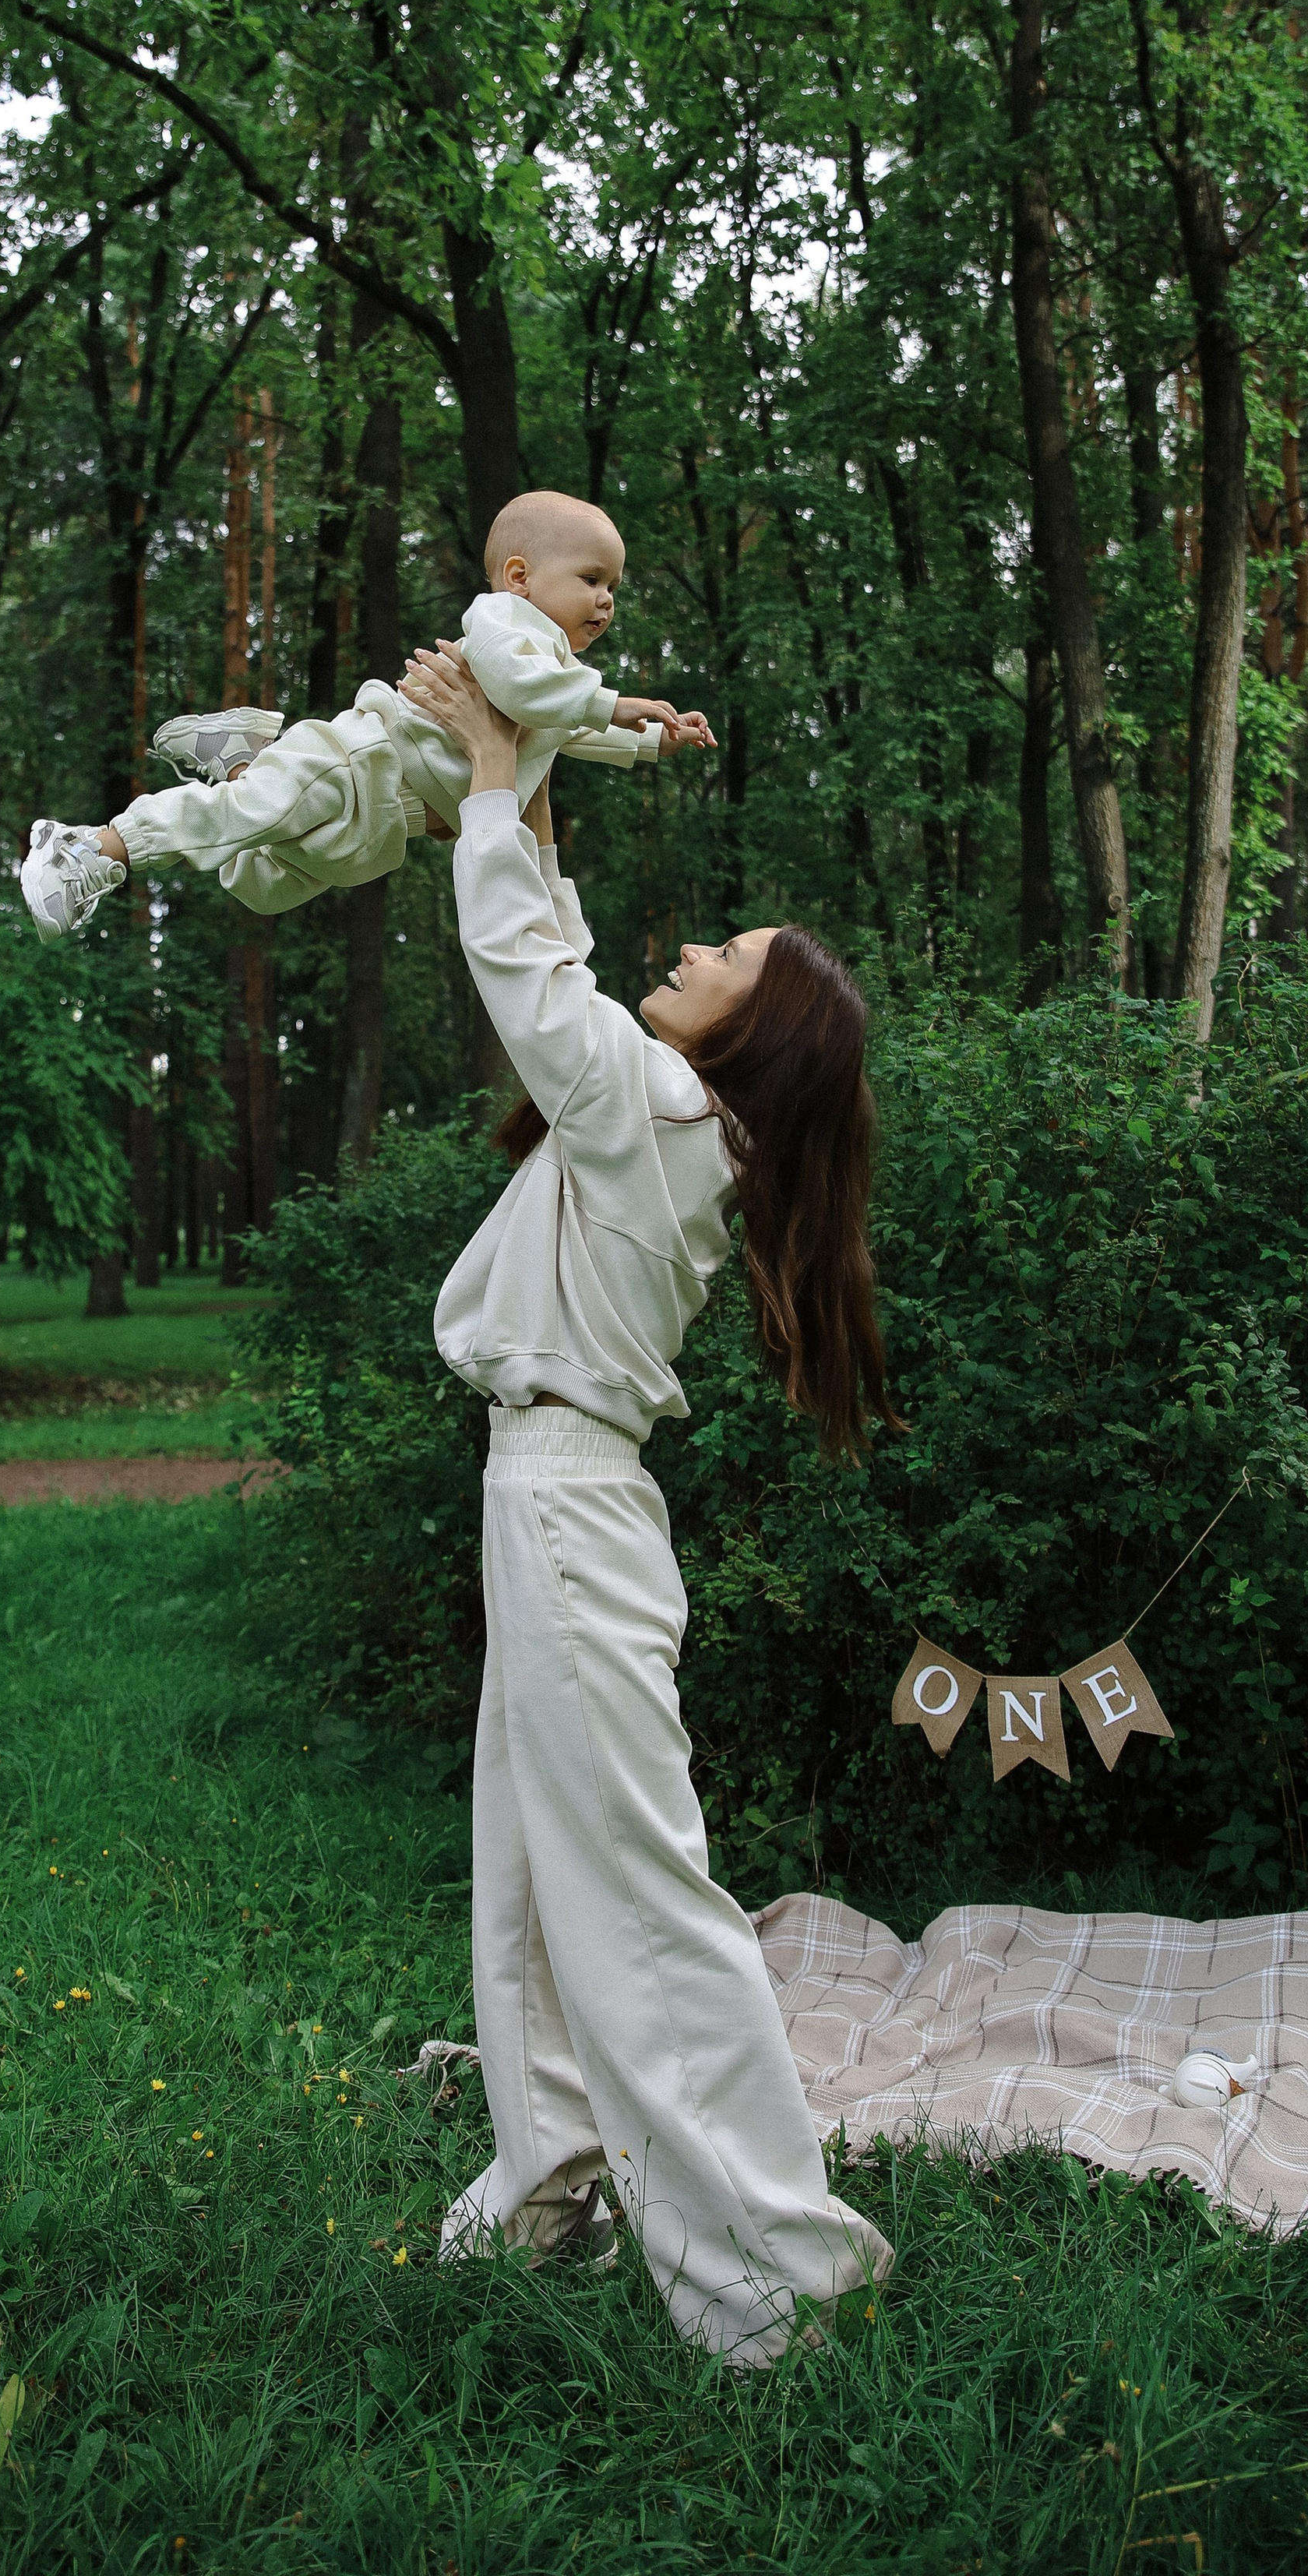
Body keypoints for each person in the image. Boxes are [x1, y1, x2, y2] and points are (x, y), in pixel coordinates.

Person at [396, 634, 900, 2370]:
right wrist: (532, 746)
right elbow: (562, 949)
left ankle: (771, 2283)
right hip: (547, 1499)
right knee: (530, 1880)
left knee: (633, 1889)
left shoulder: (667, 1114)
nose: (685, 953)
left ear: (747, 1035)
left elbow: (532, 979)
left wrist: (484, 776)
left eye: (722, 958)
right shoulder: (672, 1117)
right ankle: (546, 2197)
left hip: (566, 1506)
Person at [16, 489, 713, 943]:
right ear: (521, 577)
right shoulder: (504, 623)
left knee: (262, 884)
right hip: (361, 757)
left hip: (394, 815)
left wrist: (650, 742)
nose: (606, 601)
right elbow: (530, 690)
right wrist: (614, 701)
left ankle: (235, 756)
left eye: (613, 587)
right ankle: (90, 846)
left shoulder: (556, 674)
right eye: (591, 579)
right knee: (243, 814)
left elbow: (566, 725)